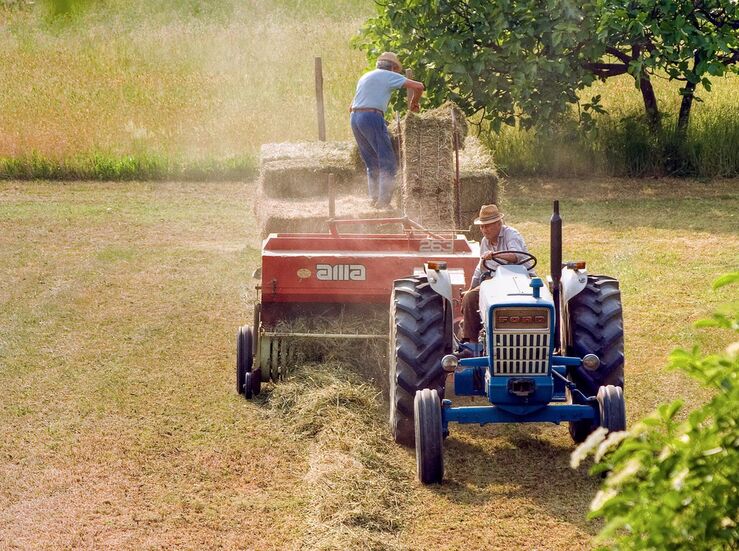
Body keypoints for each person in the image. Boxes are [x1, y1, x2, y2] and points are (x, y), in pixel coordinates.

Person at [349, 52, 425, 209]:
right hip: (371, 116)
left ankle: (374, 198)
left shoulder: (365, 76)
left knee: (372, 162)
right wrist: (413, 102)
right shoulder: (388, 75)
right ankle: (383, 203)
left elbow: (351, 105)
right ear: (392, 68)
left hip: (355, 118)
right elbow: (419, 86)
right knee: (388, 162)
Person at [461, 204, 531, 343]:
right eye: (482, 226)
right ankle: (472, 344)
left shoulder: (511, 234)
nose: (484, 229)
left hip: (521, 280)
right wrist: (470, 288)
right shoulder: (484, 242)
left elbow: (516, 256)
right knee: (469, 298)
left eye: (487, 226)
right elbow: (480, 269)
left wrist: (495, 255)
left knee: (542, 300)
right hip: (495, 282)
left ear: (499, 223)